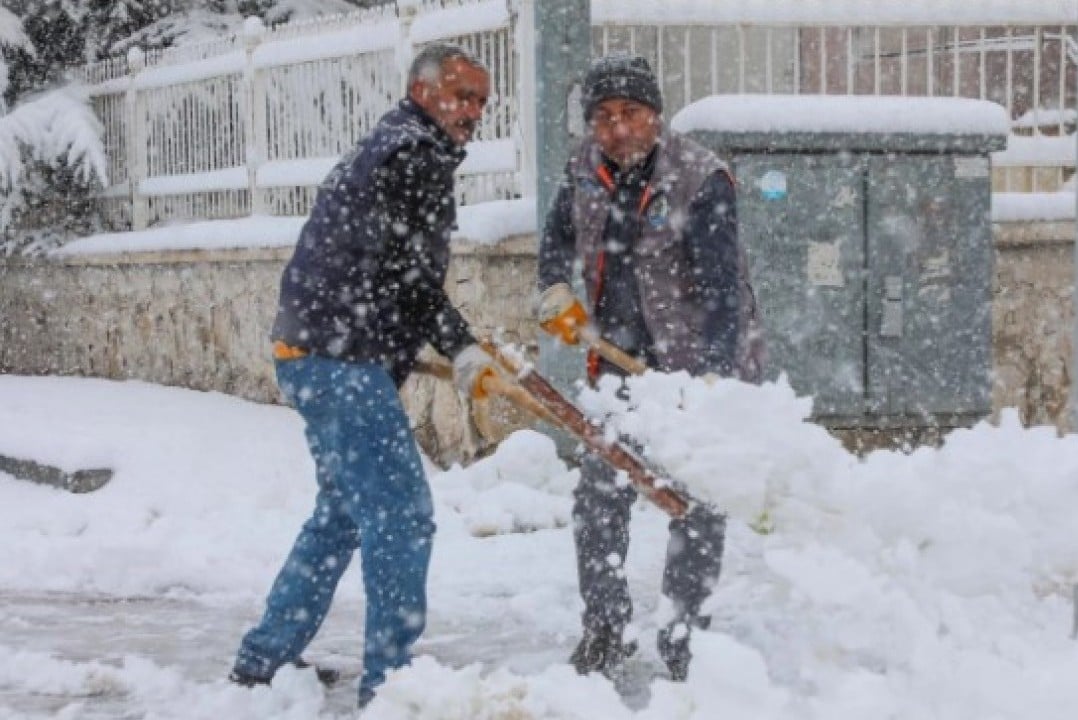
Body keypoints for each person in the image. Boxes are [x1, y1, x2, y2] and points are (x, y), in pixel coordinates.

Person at [228, 42, 499, 708]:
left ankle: (263, 662)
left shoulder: (391, 145)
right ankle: (393, 686)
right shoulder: (414, 155)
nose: (472, 113)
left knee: (343, 513)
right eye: (461, 97)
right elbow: (407, 272)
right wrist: (460, 346)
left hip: (308, 353)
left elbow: (386, 265)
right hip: (340, 360)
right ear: (422, 89)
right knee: (402, 516)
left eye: (481, 102)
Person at [535, 53, 765, 681]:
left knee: (694, 505)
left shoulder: (700, 177)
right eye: (603, 117)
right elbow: (554, 241)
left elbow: (724, 288)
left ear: (656, 117)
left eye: (629, 114)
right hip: (615, 368)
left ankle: (685, 640)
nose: (615, 129)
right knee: (599, 497)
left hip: (692, 367)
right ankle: (604, 628)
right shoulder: (583, 171)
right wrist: (553, 287)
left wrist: (714, 378)